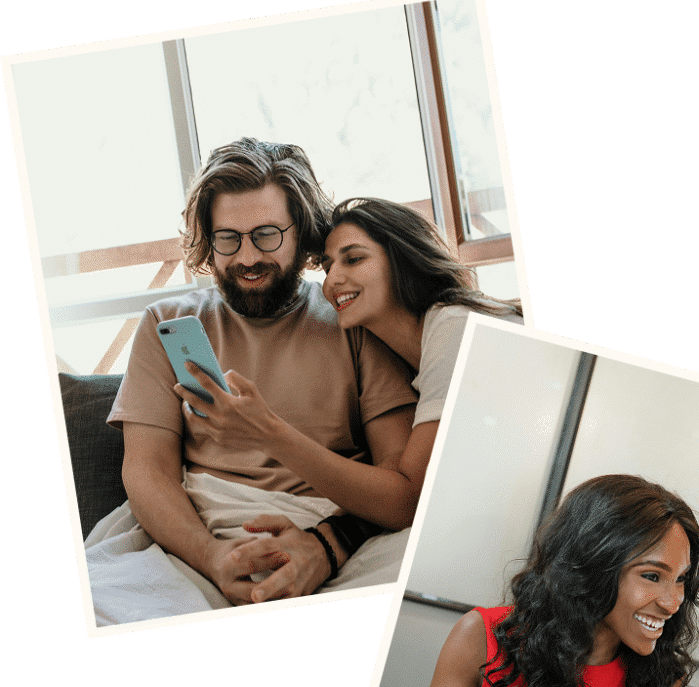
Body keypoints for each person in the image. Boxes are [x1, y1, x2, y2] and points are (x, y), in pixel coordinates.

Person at [90, 139, 419, 622]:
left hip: (334, 531)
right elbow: (147, 472)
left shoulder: (353, 317)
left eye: (266, 235)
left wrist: (326, 545)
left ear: (301, 232)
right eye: (228, 238)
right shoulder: (167, 322)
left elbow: (401, 492)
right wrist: (211, 556)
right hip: (195, 536)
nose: (247, 257)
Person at [353, 475, 699, 687]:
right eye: (652, 576)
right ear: (592, 566)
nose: (673, 602)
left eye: (681, 579)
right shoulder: (482, 638)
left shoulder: (663, 681)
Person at [185, 197, 523, 544]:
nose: (332, 281)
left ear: (402, 259)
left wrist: (268, 432)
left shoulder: (454, 329)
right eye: (327, 267)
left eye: (354, 259)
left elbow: (408, 500)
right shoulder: (417, 354)